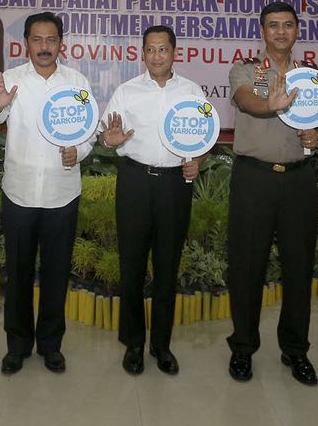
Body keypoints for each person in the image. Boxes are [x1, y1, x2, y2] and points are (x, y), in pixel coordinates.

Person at [224, 1, 318, 385]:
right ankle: (242, 348)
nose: (281, 32)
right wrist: (272, 103)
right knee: (247, 266)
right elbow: (247, 101)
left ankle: (296, 350)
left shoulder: (313, 76)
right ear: (263, 31)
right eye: (273, 26)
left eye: (288, 25)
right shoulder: (246, 70)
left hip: (299, 180)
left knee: (299, 267)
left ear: (297, 31)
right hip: (255, 178)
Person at [0, 11, 94, 375]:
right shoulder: (11, 79)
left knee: (56, 273)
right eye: (36, 40)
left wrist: (81, 150)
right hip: (20, 193)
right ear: (25, 43)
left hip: (63, 193)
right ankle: (17, 345)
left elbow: (89, 130)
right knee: (17, 272)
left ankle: (50, 345)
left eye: (50, 40)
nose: (44, 47)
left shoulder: (77, 81)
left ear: (61, 43)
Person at [100, 25, 207, 376]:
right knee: (131, 266)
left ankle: (161, 345)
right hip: (135, 182)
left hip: (175, 185)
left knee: (167, 267)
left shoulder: (192, 91)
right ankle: (133, 343)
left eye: (163, 49)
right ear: (142, 53)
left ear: (175, 52)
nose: (157, 55)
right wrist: (110, 140)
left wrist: (198, 161)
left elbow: (204, 138)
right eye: (150, 49)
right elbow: (106, 135)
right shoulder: (127, 91)